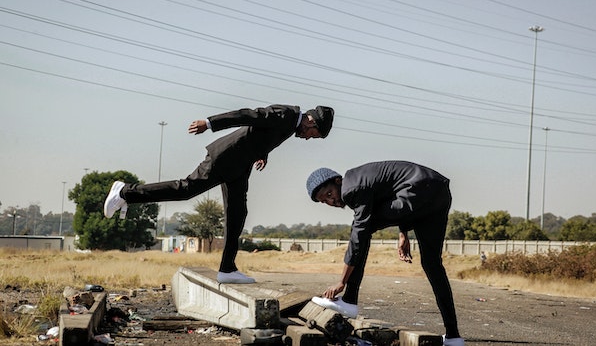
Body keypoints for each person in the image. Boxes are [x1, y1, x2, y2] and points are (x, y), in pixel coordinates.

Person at [104, 104, 334, 284]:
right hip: (226, 158)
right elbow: (248, 115)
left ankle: (227, 269)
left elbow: (263, 134)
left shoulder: (291, 124)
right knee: (185, 189)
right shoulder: (286, 114)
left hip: (239, 164)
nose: (307, 137)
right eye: (312, 134)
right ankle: (125, 192)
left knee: (237, 214)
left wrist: (262, 153)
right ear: (311, 120)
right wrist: (209, 123)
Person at [305, 161, 464, 346]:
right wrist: (403, 233)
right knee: (432, 264)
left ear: (338, 181)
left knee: (363, 228)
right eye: (325, 201)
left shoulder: (351, 188)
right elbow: (398, 190)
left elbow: (359, 236)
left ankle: (349, 299)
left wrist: (342, 282)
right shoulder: (361, 181)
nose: (332, 201)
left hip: (420, 189)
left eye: (330, 194)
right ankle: (453, 337)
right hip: (438, 192)